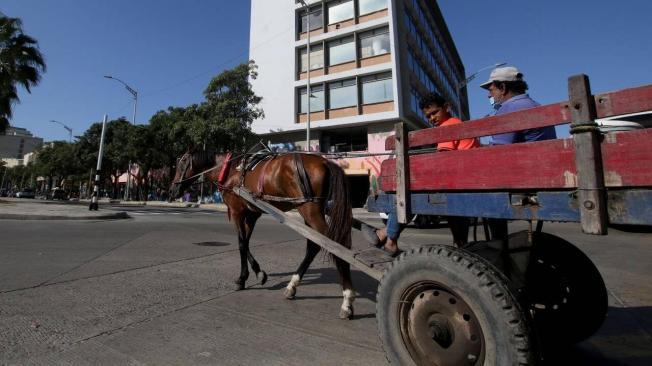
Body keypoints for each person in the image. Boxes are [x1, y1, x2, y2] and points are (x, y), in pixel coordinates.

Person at [363, 92, 479, 256]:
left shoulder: (448, 126)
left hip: (458, 182)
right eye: (428, 116)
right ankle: (461, 245)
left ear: (446, 107)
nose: (432, 118)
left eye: (435, 112)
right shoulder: (455, 123)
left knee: (407, 196)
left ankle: (387, 238)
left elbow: (443, 159)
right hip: (466, 179)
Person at [480, 66, 557, 239]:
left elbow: (498, 152)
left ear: (503, 88)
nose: (488, 95)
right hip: (545, 173)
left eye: (491, 89)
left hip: (525, 178)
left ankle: (498, 243)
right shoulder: (535, 105)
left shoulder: (509, 109)